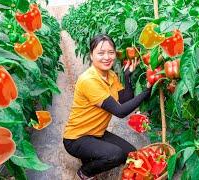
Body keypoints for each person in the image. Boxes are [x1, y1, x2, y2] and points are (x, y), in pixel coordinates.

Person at [63, 34, 152, 180]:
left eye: (111, 53)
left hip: (97, 133)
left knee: (130, 153)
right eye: (101, 53)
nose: (107, 57)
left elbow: (124, 99)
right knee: (115, 155)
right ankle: (85, 172)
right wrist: (146, 91)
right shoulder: (89, 80)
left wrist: (127, 76)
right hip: (77, 139)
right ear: (91, 55)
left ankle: (92, 156)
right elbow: (120, 111)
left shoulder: (110, 75)